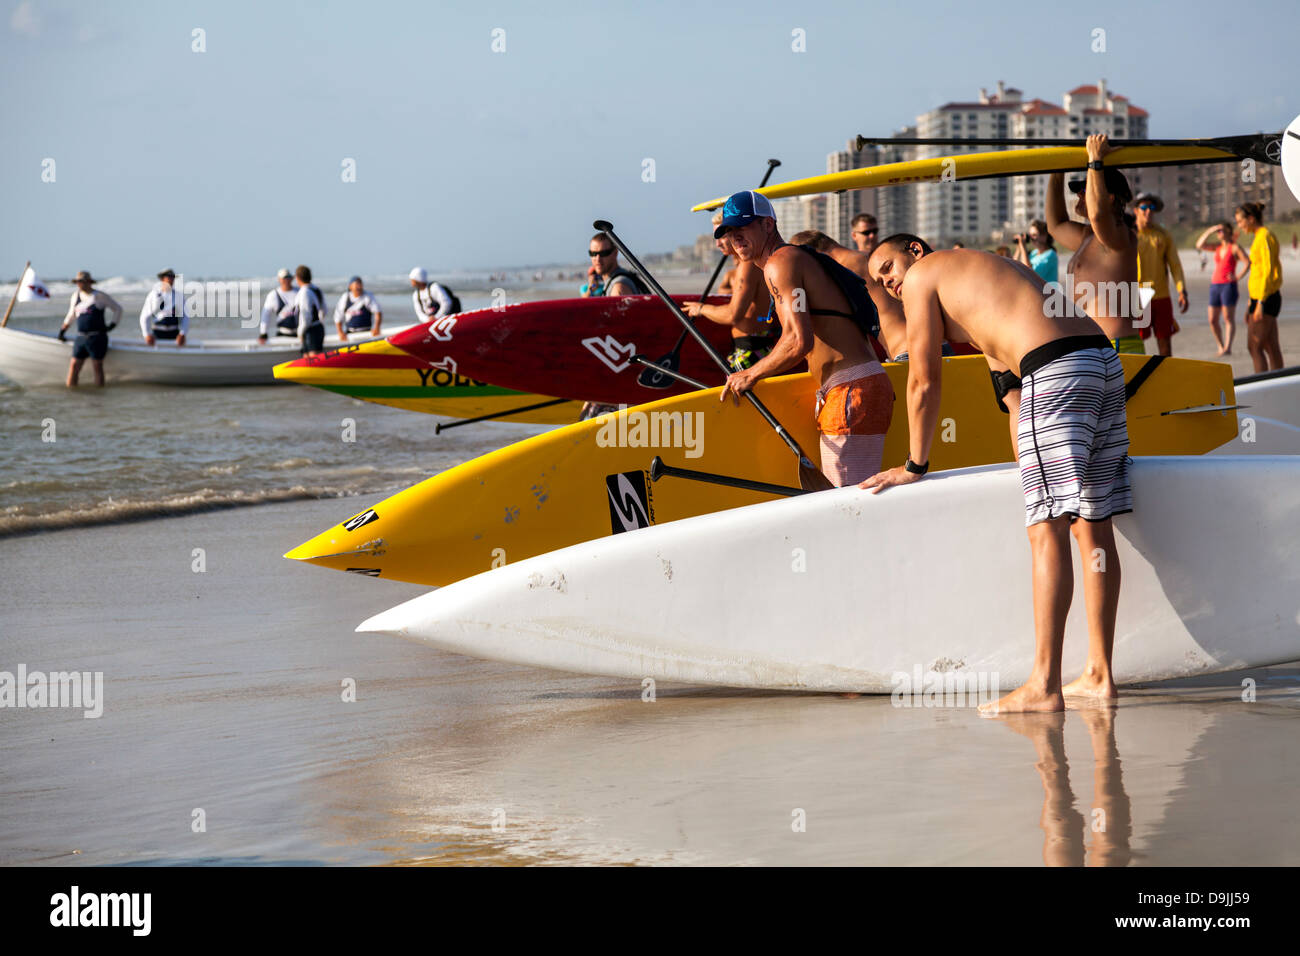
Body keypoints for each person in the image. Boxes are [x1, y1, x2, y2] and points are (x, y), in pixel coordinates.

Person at [863, 235, 1131, 715]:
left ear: (916, 252)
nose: (888, 281)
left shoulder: (927, 275)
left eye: (889, 265)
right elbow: (1010, 394)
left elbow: (924, 380)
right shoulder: (983, 275)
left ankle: (1044, 685)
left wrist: (913, 466)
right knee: (1092, 520)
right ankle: (1098, 674)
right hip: (1100, 360)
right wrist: (1030, 472)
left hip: (1055, 368)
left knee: (1045, 529)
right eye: (879, 280)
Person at [714, 191, 894, 487]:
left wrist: (749, 374)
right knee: (855, 503)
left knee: (848, 509)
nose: (735, 236)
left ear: (768, 225)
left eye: (742, 227)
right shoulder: (797, 259)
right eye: (729, 231)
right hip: (858, 387)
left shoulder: (779, 263)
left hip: (849, 392)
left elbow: (799, 341)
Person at [1046, 135, 1142, 354]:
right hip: (1092, 347)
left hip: (1116, 345)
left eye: (1085, 189)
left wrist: (1095, 160)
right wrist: (1056, 169)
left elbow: (1099, 216)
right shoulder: (1087, 236)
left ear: (1108, 197)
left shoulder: (1119, 236)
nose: (1079, 195)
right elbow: (1055, 224)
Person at [787, 229, 901, 360]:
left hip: (902, 352)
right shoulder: (864, 258)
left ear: (813, 255)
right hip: (906, 346)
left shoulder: (844, 268)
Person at [683, 211, 776, 370]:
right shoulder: (740, 268)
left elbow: (734, 314)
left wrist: (701, 308)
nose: (718, 243)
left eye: (723, 236)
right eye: (717, 237)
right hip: (750, 346)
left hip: (751, 348)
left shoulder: (748, 265)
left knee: (735, 394)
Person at [1132, 193, 1187, 357]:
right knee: (1135, 343)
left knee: (1165, 345)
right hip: (1137, 296)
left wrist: (1182, 290)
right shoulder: (1129, 234)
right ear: (1136, 210)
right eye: (1144, 207)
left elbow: (1175, 265)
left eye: (1152, 208)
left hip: (1161, 295)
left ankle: (1165, 380)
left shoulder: (1163, 235)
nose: (1148, 211)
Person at [1236, 202, 1285, 372]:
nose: (1239, 226)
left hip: (1266, 298)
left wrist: (1260, 303)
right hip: (1261, 298)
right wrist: (1251, 302)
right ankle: (1278, 383)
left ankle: (1262, 383)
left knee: (1254, 346)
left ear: (1250, 219)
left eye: (1240, 221)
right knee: (1271, 346)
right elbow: (1257, 273)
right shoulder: (1259, 236)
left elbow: (1268, 271)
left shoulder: (1264, 237)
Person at [58, 270, 123, 387]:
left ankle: (99, 394)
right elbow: (71, 315)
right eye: (78, 282)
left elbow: (118, 309)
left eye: (82, 282)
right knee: (74, 365)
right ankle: (71, 392)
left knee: (97, 366)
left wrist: (111, 325)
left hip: (97, 337)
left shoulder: (99, 296)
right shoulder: (76, 296)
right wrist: (63, 330)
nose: (79, 284)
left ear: (89, 282)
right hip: (81, 337)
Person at [1195, 221, 1250, 355]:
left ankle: (1227, 347)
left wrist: (1237, 277)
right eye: (1218, 231)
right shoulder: (1217, 247)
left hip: (1228, 285)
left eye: (1221, 230)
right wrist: (1211, 229)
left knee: (1227, 318)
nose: (1219, 233)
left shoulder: (1235, 247)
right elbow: (1199, 245)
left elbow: (1248, 262)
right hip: (1215, 285)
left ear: (1229, 232)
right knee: (1212, 319)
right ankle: (1220, 345)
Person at [579, 234, 649, 297]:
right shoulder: (613, 281)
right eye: (593, 253)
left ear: (615, 253)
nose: (598, 259)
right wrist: (590, 289)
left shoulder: (618, 287)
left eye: (604, 253)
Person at [139, 268, 189, 347]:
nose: (171, 279)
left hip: (174, 333)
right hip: (157, 333)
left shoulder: (178, 296)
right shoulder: (153, 295)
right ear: (162, 279)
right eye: (169, 277)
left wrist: (183, 333)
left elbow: (185, 317)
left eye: (173, 277)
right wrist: (147, 334)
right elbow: (144, 316)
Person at [292, 265, 328, 356]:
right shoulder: (316, 289)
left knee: (312, 361)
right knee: (308, 360)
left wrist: (300, 332)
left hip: (310, 330)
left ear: (298, 278)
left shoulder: (304, 292)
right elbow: (324, 310)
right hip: (318, 327)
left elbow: (306, 316)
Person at [333, 276, 383, 341]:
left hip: (366, 332)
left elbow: (378, 312)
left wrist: (377, 328)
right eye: (356, 284)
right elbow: (338, 317)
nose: (359, 286)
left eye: (360, 284)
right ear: (350, 287)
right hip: (350, 333)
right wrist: (340, 332)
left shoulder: (367, 296)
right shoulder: (345, 297)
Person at [258, 268, 298, 343]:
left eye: (288, 277)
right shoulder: (273, 295)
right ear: (279, 279)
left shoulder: (299, 292)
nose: (286, 280)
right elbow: (266, 314)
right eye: (284, 278)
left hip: (299, 334)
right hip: (283, 335)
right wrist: (263, 333)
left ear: (292, 278)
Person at [1014, 220, 1059, 284]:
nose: (1031, 239)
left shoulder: (1051, 255)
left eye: (1034, 235)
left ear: (1044, 236)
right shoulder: (1034, 253)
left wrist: (1023, 247)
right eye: (1030, 235)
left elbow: (1029, 273)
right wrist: (1019, 247)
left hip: (1046, 293)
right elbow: (1014, 265)